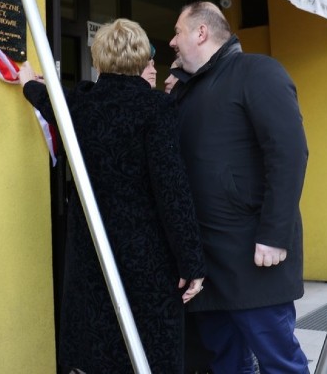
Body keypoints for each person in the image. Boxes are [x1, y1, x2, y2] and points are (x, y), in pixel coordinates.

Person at [19, 19, 206, 373]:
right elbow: (172, 191)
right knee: (146, 355)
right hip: (146, 260)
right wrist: (191, 261)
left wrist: (28, 81)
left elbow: (46, 99)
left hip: (93, 256)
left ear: (99, 58)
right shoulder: (156, 109)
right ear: (141, 59)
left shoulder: (80, 103)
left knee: (101, 355)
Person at [169, 1, 309, 374]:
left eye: (178, 32)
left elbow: (289, 152)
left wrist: (275, 234)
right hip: (207, 265)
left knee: (278, 361)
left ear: (201, 32)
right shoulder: (187, 90)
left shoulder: (257, 71)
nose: (172, 42)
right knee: (224, 363)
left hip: (254, 255)